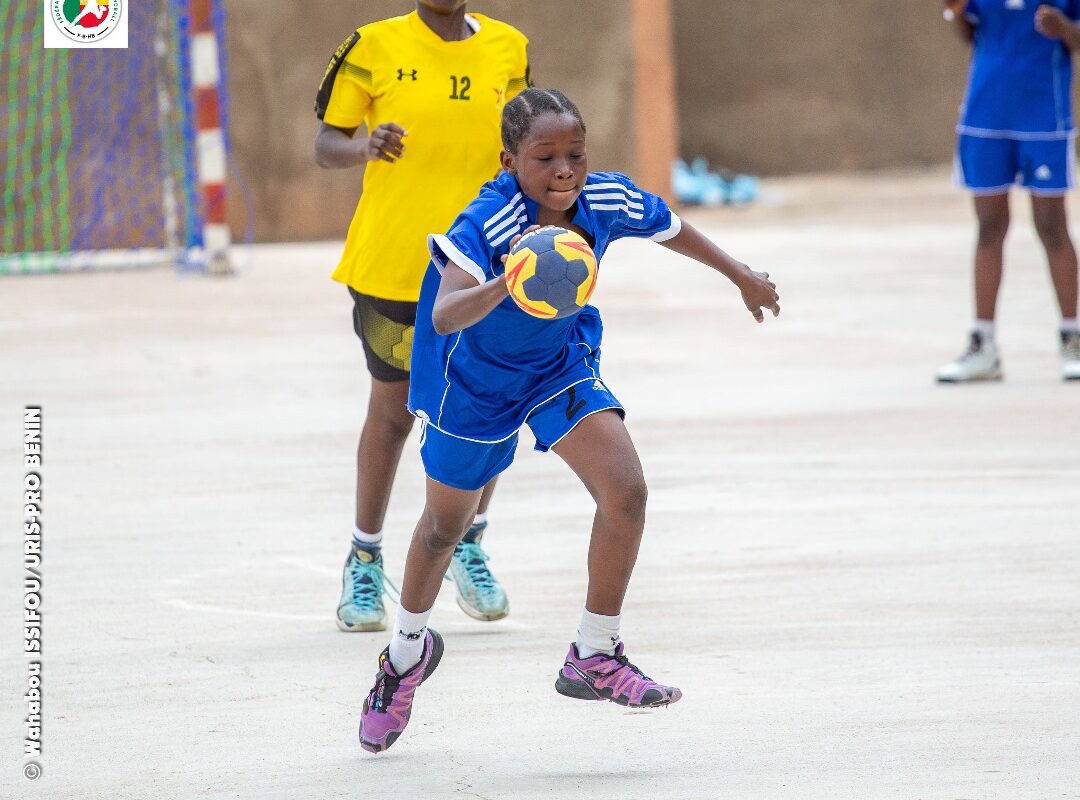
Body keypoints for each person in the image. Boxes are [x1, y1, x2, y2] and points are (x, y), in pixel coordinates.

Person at [356, 88, 782, 753]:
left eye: (575, 156)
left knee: (627, 490)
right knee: (445, 529)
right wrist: (515, 278)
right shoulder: (489, 220)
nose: (563, 171)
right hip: (472, 383)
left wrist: (739, 276)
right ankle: (404, 658)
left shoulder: (602, 199)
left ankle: (594, 652)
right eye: (544, 157)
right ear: (508, 160)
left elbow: (670, 225)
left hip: (558, 365)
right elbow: (443, 314)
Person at [314, 1, 532, 632]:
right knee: (392, 415)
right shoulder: (372, 46)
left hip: (486, 267)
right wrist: (362, 146)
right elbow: (325, 144)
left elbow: (530, 147)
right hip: (397, 265)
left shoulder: (509, 49)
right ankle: (364, 556)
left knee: (489, 408)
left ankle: (467, 542)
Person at [939, 0, 1080, 382]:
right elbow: (969, 33)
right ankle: (983, 346)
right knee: (988, 226)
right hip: (985, 113)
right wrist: (952, 12)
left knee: (1052, 225)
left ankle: (1072, 337)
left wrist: (1064, 27)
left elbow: (1077, 39)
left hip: (1044, 113)